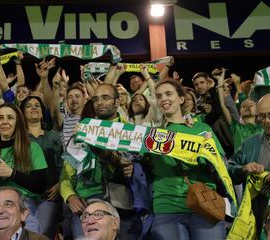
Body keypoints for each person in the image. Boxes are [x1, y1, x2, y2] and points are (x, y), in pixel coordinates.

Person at [149, 79, 226, 240]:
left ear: (181, 99)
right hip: (167, 209)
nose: (163, 99)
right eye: (159, 96)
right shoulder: (151, 136)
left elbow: (222, 164)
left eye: (168, 94)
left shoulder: (202, 129)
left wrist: (207, 158)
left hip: (204, 206)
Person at [60, 83, 136, 239]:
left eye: (105, 97)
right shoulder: (82, 131)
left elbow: (141, 165)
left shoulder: (131, 132)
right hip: (85, 202)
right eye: (95, 99)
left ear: (117, 102)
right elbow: (67, 174)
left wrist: (135, 168)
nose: (99, 102)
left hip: (121, 201)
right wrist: (70, 196)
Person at [0, 103, 48, 233]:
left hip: (23, 206)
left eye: (10, 118)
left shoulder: (32, 148)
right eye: (0, 118)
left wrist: (11, 173)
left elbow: (41, 186)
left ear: (18, 123)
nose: (4, 122)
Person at [20, 95, 63, 239]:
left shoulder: (54, 137)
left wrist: (59, 184)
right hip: (25, 196)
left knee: (45, 236)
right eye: (29, 106)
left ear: (42, 112)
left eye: (37, 105)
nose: (33, 107)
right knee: (29, 235)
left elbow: (62, 165)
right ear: (22, 112)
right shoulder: (18, 139)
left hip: (50, 196)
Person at [228, 93, 270, 239]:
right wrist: (243, 168)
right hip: (258, 215)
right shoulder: (250, 144)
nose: (267, 121)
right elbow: (228, 169)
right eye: (262, 116)